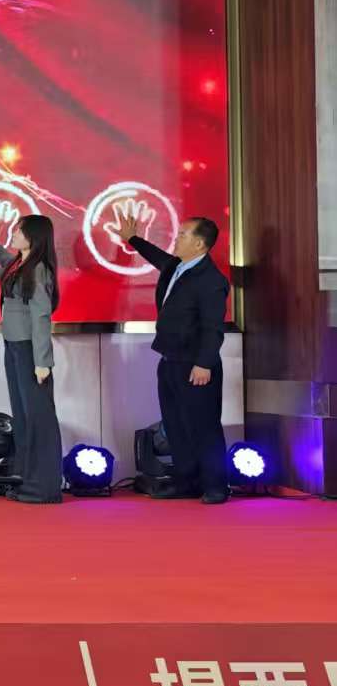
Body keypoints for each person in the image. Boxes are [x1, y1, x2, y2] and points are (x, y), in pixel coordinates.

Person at [117, 212, 230, 503]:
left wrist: (204, 363)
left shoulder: (211, 280)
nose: (176, 239)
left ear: (200, 244)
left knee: (203, 425)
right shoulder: (177, 267)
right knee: (175, 424)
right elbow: (158, 257)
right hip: (169, 360)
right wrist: (133, 239)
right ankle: (186, 481)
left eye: (182, 235)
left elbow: (213, 327)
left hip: (196, 364)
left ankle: (215, 485)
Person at [0, 213, 63, 504]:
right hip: (14, 345)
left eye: (19, 231)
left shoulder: (39, 269)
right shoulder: (20, 263)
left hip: (30, 350)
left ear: (34, 237)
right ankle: (29, 481)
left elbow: (41, 316)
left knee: (39, 418)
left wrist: (42, 361)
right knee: (24, 416)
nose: (13, 235)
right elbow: (6, 262)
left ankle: (45, 487)